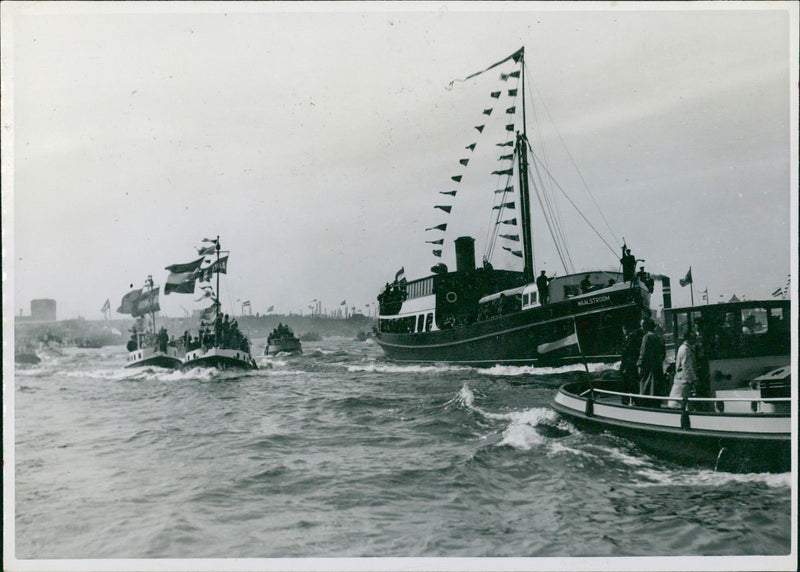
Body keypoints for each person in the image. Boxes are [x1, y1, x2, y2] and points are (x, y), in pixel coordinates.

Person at [638, 318, 666, 405]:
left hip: (648, 370)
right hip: (657, 368)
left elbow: (643, 354)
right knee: (656, 393)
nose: (641, 328)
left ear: (646, 327)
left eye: (642, 326)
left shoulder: (646, 338)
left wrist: (639, 367)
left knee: (646, 391)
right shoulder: (660, 337)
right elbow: (663, 354)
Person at [668, 328, 698, 408]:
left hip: (683, 381)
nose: (695, 337)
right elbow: (687, 367)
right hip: (684, 382)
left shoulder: (685, 348)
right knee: (680, 403)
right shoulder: (685, 350)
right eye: (693, 336)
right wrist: (694, 380)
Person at [620, 322, 644, 404]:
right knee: (633, 383)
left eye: (624, 329)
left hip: (628, 365)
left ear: (626, 329)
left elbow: (626, 353)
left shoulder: (630, 338)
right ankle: (634, 400)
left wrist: (623, 367)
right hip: (632, 364)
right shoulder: (634, 337)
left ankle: (627, 400)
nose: (623, 331)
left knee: (628, 383)